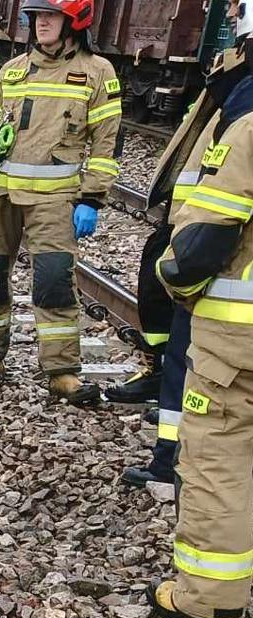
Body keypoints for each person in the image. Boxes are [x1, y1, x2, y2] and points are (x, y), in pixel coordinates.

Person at [0, 0, 121, 405]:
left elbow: (105, 144)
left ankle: (62, 372)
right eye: (35, 16)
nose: (40, 22)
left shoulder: (99, 73)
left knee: (53, 282)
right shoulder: (12, 71)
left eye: (50, 15)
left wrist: (92, 198)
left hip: (55, 198)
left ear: (74, 21)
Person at [116, 7, 251, 487]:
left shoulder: (244, 90)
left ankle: (171, 462)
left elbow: (224, 201)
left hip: (213, 265)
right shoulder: (233, 72)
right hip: (190, 228)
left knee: (190, 362)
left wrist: (180, 270)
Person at [145, 54, 253, 618]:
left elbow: (201, 245)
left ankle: (211, 597)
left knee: (219, 458)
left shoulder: (249, 129)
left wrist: (171, 279)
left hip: (239, 346)